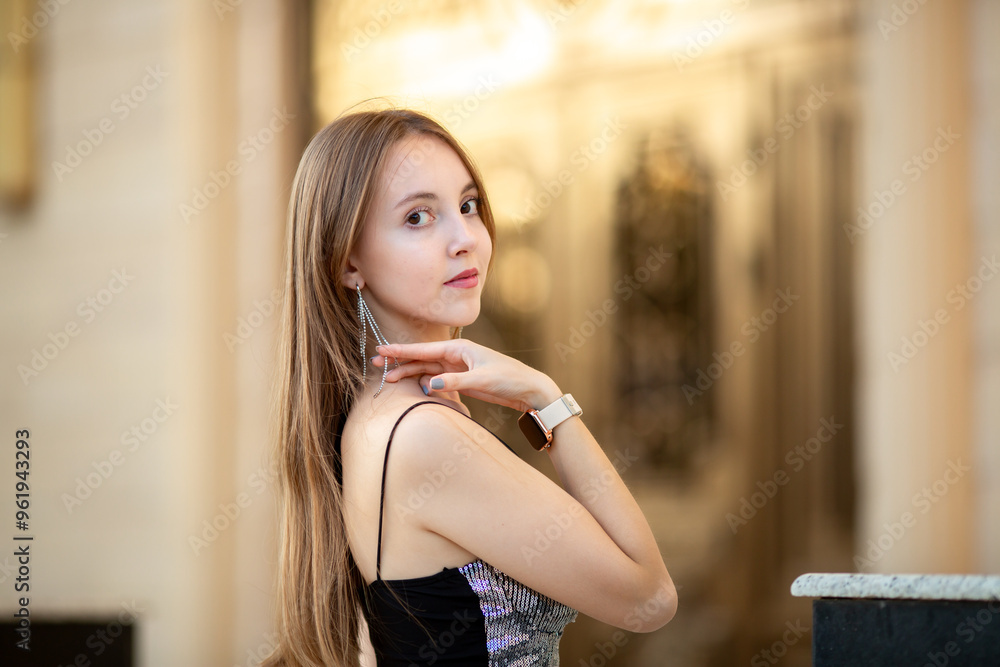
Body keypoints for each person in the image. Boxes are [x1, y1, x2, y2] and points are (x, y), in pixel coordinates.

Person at [263, 106, 676, 667]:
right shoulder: (423, 437)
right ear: (348, 262)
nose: (465, 239)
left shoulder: (376, 415)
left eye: (467, 205)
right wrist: (547, 401)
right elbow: (649, 598)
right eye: (417, 218)